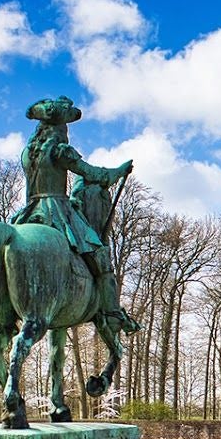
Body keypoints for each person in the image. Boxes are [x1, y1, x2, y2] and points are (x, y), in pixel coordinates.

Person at [13, 96, 136, 331]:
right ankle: (111, 314)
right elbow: (96, 175)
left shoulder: (28, 153)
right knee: (100, 255)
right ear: (61, 128)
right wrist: (120, 171)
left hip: (29, 213)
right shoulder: (61, 150)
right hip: (56, 211)